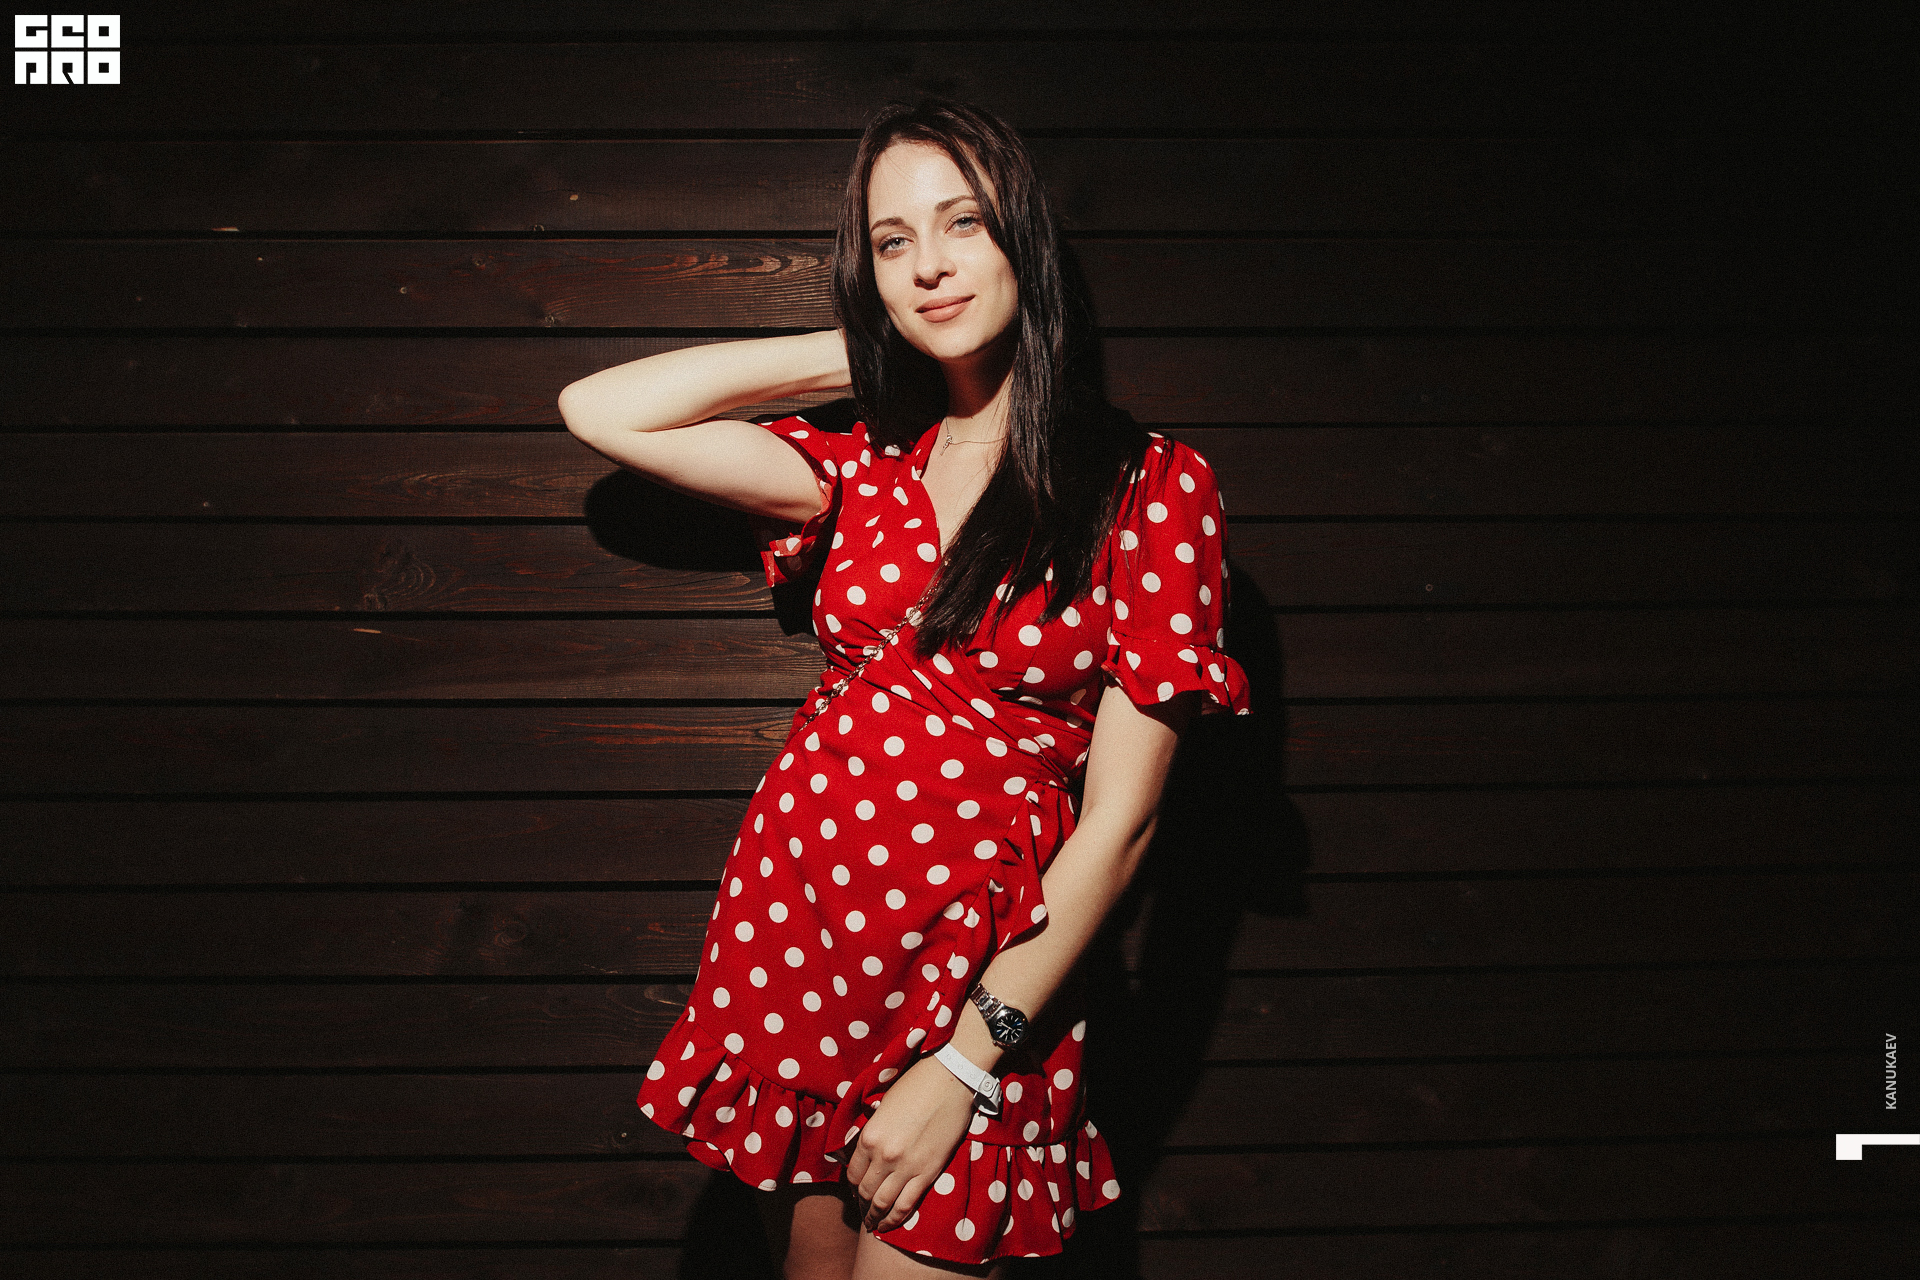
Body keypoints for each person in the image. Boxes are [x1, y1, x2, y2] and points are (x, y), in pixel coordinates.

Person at [558, 98, 1249, 1280]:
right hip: (801, 943)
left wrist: (969, 1060)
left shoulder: (1147, 484)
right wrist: (874, 344)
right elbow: (603, 408)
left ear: (1023, 237)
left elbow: (1123, 824)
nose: (929, 263)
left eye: (961, 223)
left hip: (978, 980)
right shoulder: (865, 466)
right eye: (892, 242)